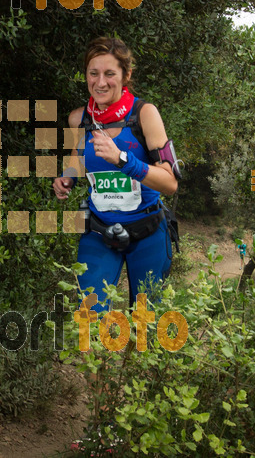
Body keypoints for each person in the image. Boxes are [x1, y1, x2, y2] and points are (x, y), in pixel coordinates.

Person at [53, 37, 179, 314]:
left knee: (146, 327)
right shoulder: (79, 119)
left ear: (126, 75)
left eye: (110, 74)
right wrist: (67, 177)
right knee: (87, 318)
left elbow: (170, 183)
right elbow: (78, 156)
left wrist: (122, 159)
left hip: (148, 233)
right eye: (93, 73)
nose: (100, 82)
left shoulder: (144, 114)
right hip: (99, 232)